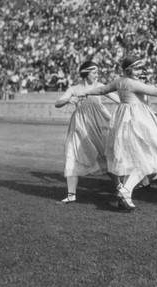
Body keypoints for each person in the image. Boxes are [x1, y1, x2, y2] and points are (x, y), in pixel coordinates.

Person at [76, 56, 157, 210]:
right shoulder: (132, 83)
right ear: (128, 70)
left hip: (124, 120)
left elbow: (102, 89)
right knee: (147, 159)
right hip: (137, 121)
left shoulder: (120, 81)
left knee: (134, 160)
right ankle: (125, 192)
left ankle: (126, 196)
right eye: (137, 69)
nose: (140, 72)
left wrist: (86, 92)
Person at [54, 61, 120, 205]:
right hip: (79, 126)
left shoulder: (100, 86)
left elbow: (118, 99)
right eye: (94, 72)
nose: (97, 75)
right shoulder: (74, 89)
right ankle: (71, 194)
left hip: (99, 124)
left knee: (106, 156)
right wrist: (67, 100)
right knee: (71, 154)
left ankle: (120, 188)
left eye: (97, 72)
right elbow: (57, 103)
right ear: (86, 73)